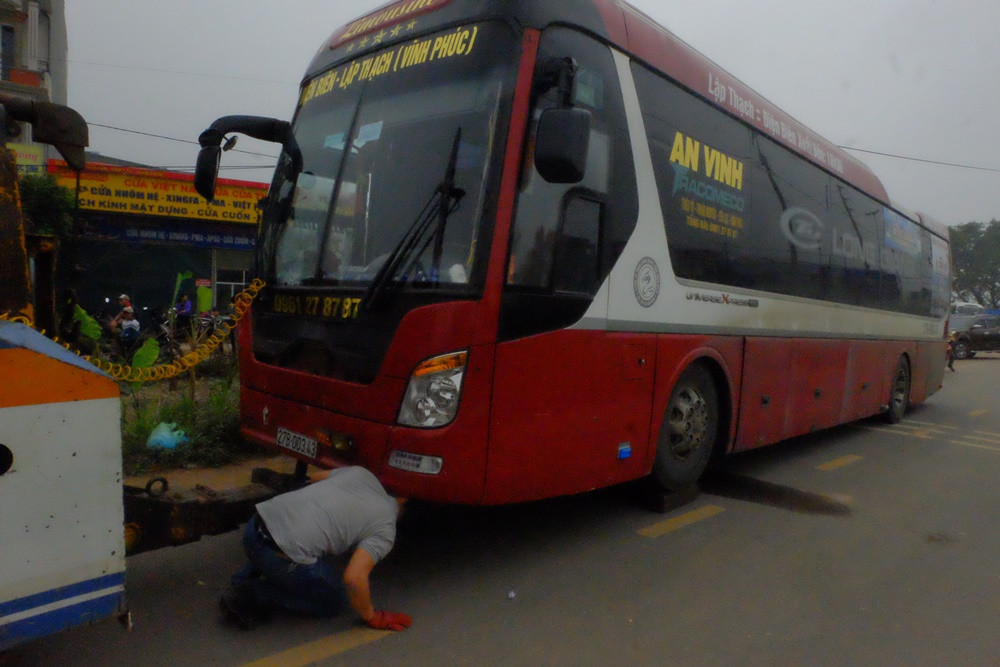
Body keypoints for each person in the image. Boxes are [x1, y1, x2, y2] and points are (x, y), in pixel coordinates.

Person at [220, 466, 411, 632]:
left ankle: (242, 578)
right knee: (337, 602)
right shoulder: (386, 528)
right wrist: (371, 616)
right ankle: (257, 592)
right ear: (403, 500)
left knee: (288, 534)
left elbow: (315, 477)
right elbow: (354, 578)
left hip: (254, 526)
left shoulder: (361, 474)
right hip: (277, 555)